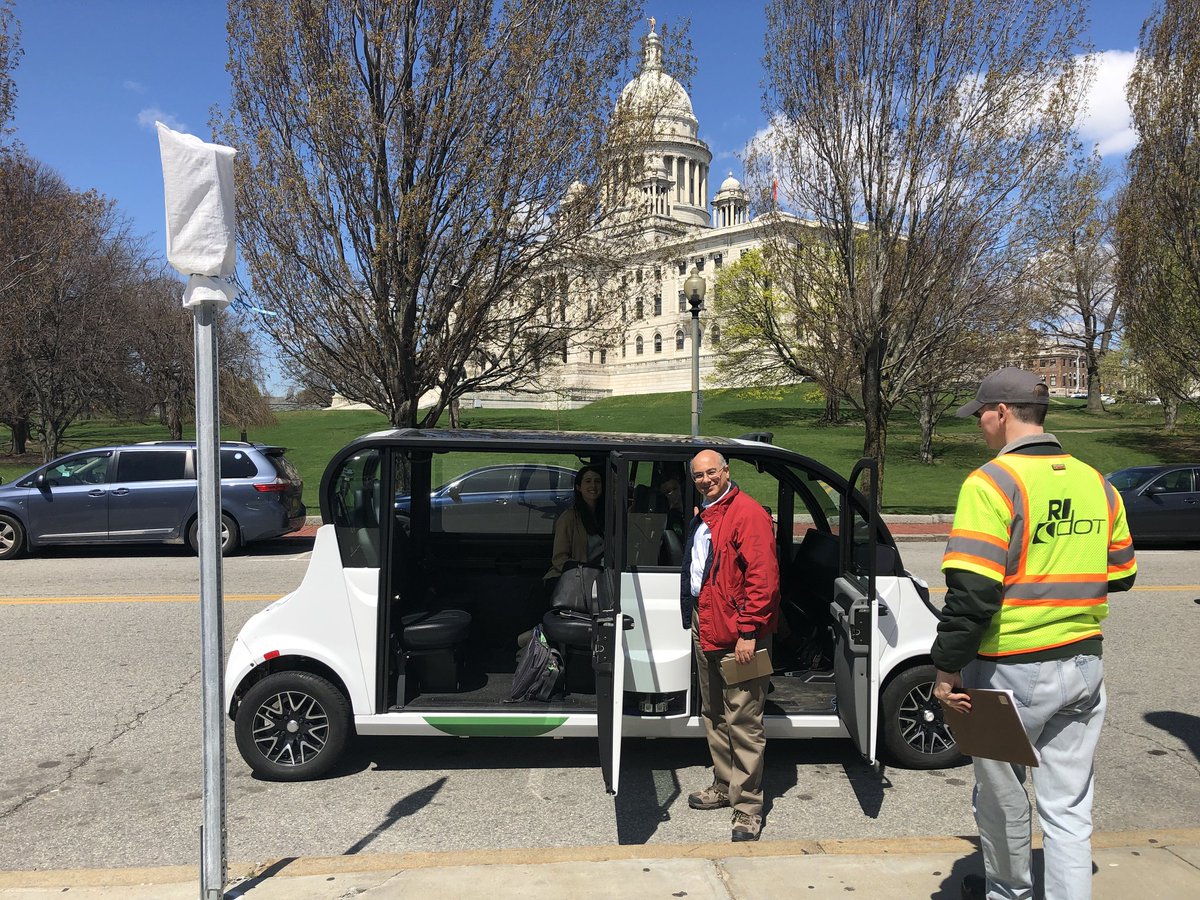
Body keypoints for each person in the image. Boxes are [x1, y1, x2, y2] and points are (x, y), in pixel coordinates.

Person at [931, 368, 1137, 900]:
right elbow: (1123, 574)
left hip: (1012, 670)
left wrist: (947, 667)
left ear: (1001, 412)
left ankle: (1009, 893)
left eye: (980, 414)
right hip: (1084, 666)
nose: (979, 424)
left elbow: (972, 594)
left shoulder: (992, 483)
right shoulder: (1098, 482)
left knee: (1000, 802)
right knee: (1068, 809)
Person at [680, 449, 780, 842]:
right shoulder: (706, 513)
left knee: (745, 721)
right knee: (714, 713)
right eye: (699, 475)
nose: (706, 480)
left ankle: (748, 808)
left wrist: (750, 632)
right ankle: (724, 786)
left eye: (712, 473)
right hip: (707, 626)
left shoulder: (747, 513)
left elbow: (763, 579)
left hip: (740, 636)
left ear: (727, 471)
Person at [545, 464, 604, 580]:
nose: (593, 485)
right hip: (574, 578)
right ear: (578, 487)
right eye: (588, 481)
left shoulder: (609, 516)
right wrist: (583, 572)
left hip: (603, 578)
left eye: (597, 481)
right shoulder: (568, 518)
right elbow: (559, 559)